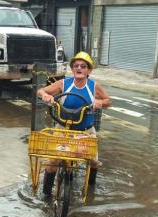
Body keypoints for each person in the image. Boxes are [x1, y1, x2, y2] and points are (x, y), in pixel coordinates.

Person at [37, 51, 111, 195]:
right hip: (63, 128)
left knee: (93, 162)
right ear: (72, 69)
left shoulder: (94, 86)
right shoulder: (63, 83)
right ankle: (46, 193)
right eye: (76, 66)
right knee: (53, 163)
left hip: (86, 130)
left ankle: (91, 187)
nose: (79, 68)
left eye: (83, 66)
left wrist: (100, 102)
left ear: (89, 70)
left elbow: (109, 101)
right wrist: (45, 95)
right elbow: (40, 91)